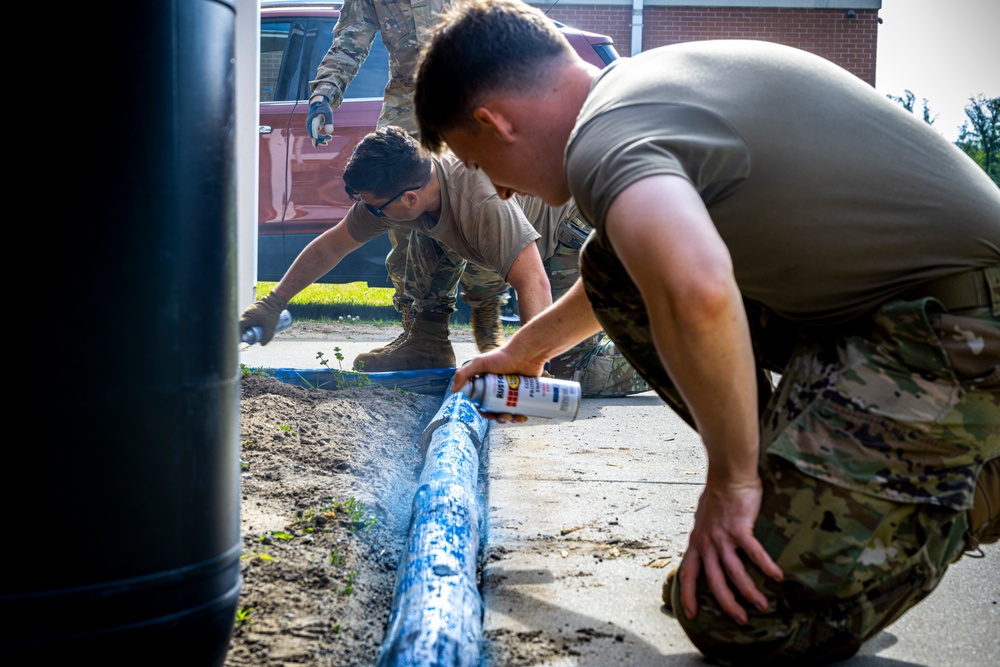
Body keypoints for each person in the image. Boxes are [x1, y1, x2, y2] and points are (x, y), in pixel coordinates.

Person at [413, 0, 1000, 664]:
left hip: (963, 330)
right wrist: (526, 350)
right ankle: (832, 484)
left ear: (493, 121)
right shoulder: (644, 88)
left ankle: (959, 490)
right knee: (615, 262)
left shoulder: (605, 138)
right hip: (888, 315)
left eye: (480, 164)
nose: (501, 192)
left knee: (734, 614)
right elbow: (640, 277)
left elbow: (696, 287)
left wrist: (733, 482)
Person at [241, 126, 648, 396]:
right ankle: (427, 343)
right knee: (424, 233)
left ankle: (666, 348)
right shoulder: (408, 187)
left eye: (374, 208)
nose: (369, 215)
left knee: (565, 369)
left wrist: (527, 369)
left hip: (572, 229)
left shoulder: (479, 201)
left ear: (409, 197)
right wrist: (272, 304)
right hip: (512, 228)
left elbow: (532, 282)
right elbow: (333, 245)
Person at [305, 0, 508, 364]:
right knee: (405, 228)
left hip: (472, 105)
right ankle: (422, 339)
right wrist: (324, 93)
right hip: (409, 112)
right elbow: (351, 39)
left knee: (480, 216)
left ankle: (490, 327)